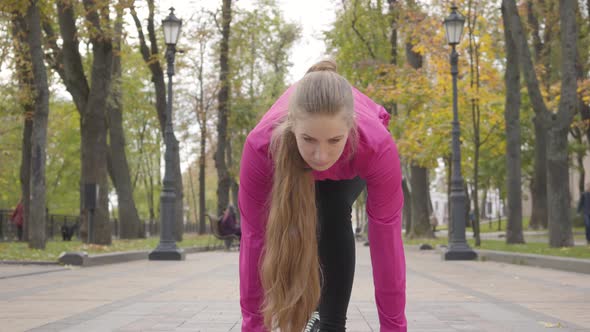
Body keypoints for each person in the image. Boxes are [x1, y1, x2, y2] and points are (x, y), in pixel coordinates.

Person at [238, 60, 406, 332]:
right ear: (292, 127)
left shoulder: (376, 146)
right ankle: (309, 313)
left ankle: (330, 325)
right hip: (288, 161)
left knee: (331, 207)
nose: (321, 156)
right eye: (309, 139)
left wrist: (395, 329)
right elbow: (254, 239)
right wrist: (253, 328)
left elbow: (387, 246)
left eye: (334, 140)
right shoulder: (261, 147)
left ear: (350, 128)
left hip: (352, 161)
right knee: (306, 211)